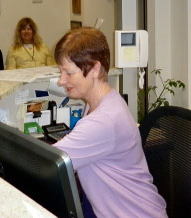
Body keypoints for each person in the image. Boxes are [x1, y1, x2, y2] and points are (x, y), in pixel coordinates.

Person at [53, 27, 167, 218]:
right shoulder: (102, 102)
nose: (61, 81)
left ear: (95, 69)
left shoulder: (103, 121)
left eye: (68, 73)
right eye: (61, 72)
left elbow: (49, 166)